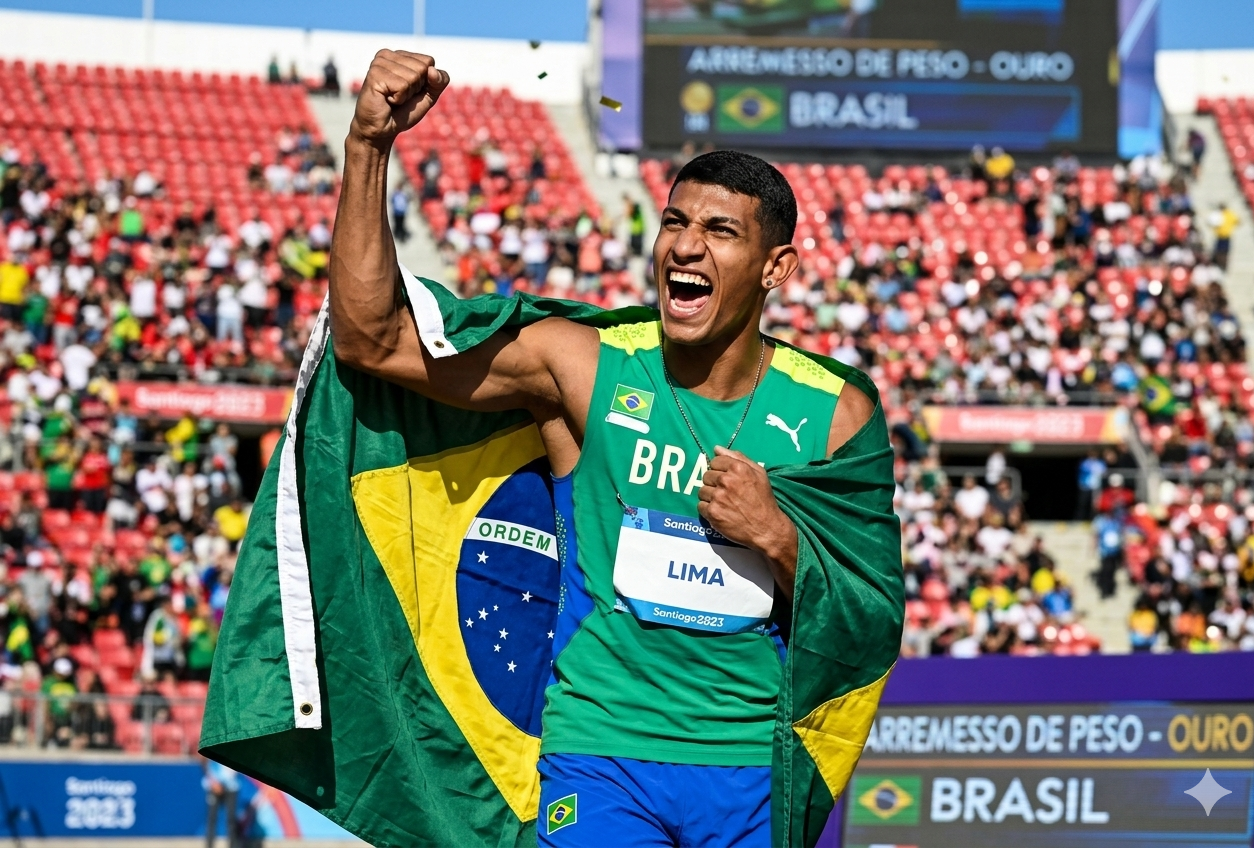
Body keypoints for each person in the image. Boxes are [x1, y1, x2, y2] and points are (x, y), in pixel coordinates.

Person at [327, 50, 878, 847]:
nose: (685, 248)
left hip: (753, 767)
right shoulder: (584, 364)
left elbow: (868, 612)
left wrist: (779, 538)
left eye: (720, 231)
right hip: (599, 755)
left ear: (775, 267)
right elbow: (373, 343)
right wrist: (368, 147)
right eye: (675, 224)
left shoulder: (835, 416)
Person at [203, 758, 241, 848]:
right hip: (214, 787)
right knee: (212, 818)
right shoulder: (211, 751)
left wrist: (224, 781)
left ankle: (233, 845)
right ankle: (209, 845)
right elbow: (207, 764)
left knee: (231, 819)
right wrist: (215, 782)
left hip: (231, 787)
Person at [1076, 449, 1107, 520]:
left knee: (1094, 505)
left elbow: (1104, 472)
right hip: (1085, 486)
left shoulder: (1100, 463)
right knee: (1082, 504)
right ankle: (1079, 519)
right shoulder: (1085, 463)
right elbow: (1083, 471)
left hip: (1096, 487)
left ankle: (1092, 519)